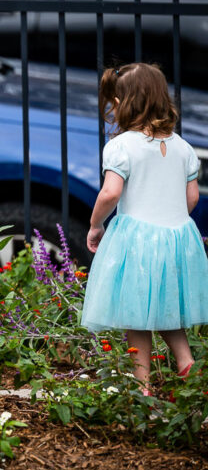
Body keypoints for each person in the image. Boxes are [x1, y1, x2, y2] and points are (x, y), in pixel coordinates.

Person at [81, 62, 208, 393]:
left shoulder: (122, 146)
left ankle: (143, 388)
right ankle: (186, 365)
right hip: (178, 239)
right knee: (167, 311)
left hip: (138, 242)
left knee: (137, 314)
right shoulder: (182, 147)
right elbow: (191, 198)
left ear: (122, 103)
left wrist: (96, 225)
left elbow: (111, 192)